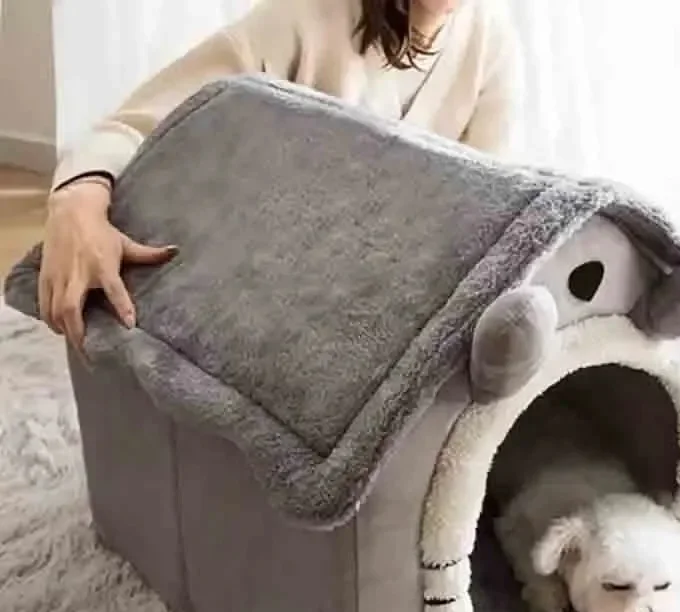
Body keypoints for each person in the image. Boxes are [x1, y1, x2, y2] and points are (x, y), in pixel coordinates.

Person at [40, 0, 523, 350]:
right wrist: (77, 198)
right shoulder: (302, 17)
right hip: (272, 295)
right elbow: (137, 124)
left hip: (387, 300)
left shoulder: (492, 43)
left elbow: (482, 209)